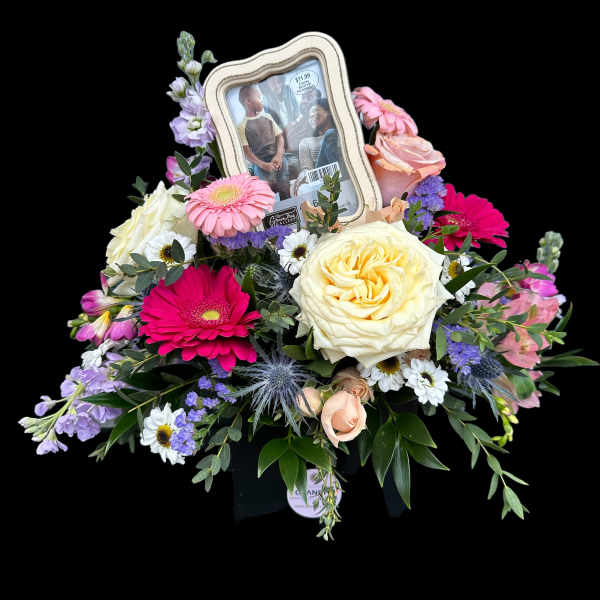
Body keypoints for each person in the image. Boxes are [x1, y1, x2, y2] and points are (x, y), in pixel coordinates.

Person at [236, 84, 290, 199]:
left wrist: (279, 155)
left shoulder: (268, 117)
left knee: (284, 185)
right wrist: (263, 165)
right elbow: (247, 152)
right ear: (248, 101)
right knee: (266, 190)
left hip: (278, 158)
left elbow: (280, 137)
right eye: (259, 97)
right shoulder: (242, 126)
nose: (262, 100)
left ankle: (289, 202)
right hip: (260, 163)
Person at [293, 98, 340, 196]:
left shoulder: (341, 132)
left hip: (341, 166)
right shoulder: (305, 142)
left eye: (315, 111)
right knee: (330, 133)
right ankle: (337, 176)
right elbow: (307, 168)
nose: (312, 115)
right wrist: (303, 174)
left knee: (331, 133)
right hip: (322, 176)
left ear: (329, 112)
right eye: (310, 116)